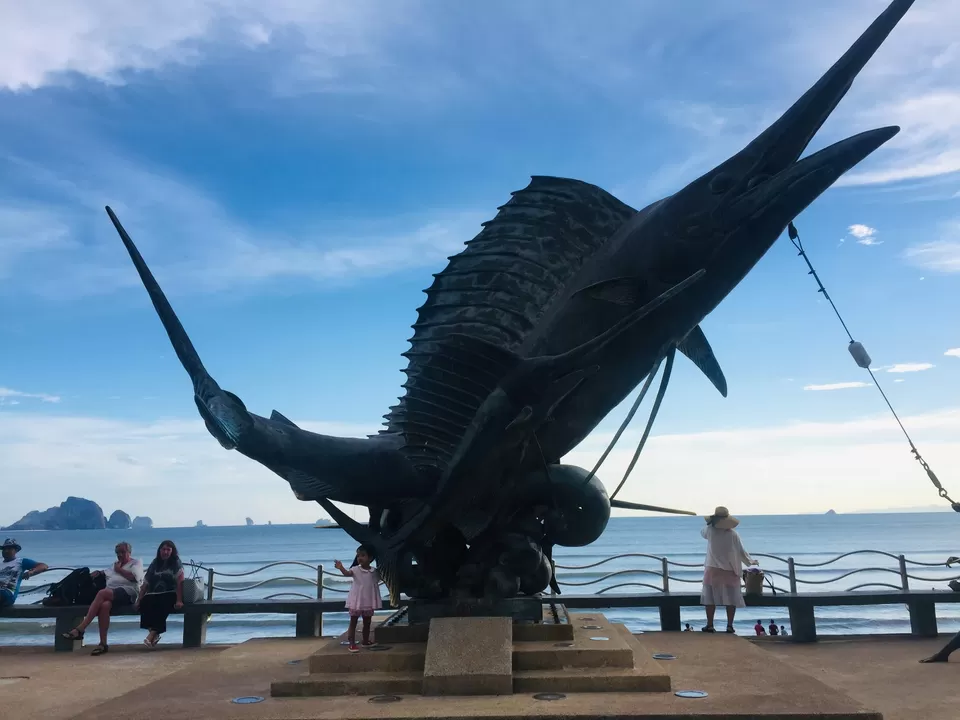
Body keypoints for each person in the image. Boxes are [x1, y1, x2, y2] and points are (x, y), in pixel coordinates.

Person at [61, 542, 144, 655]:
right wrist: (98, 573)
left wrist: (120, 570)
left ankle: (80, 629)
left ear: (129, 552)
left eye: (122, 552)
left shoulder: (135, 563)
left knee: (102, 593)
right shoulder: (115, 564)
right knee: (104, 606)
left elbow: (135, 578)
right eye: (117, 553)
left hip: (128, 592)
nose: (119, 555)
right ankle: (103, 644)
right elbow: (106, 572)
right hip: (113, 593)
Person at [700, 506, 758, 634]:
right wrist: (750, 562)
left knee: (710, 598)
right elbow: (741, 551)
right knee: (731, 599)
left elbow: (702, 532)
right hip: (730, 570)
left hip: (712, 569)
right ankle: (729, 625)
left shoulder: (710, 531)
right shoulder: (733, 534)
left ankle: (710, 625)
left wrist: (711, 522)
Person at [137, 540, 185, 648]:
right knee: (144, 603)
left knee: (163, 603)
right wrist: (138, 600)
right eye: (163, 549)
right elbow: (146, 582)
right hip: (154, 593)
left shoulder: (176, 562)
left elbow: (180, 581)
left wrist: (179, 600)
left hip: (171, 593)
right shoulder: (155, 563)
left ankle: (151, 635)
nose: (165, 552)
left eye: (168, 549)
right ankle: (155, 633)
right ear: (159, 551)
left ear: (172, 551)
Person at [334, 544, 381, 653]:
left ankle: (365, 640)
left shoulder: (374, 571)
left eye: (363, 555)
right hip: (357, 601)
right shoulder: (355, 570)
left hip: (368, 601)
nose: (360, 558)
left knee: (367, 622)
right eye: (358, 555)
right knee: (353, 621)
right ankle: (352, 643)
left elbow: (380, 578)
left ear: (370, 558)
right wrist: (341, 567)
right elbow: (347, 573)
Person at [0, 538, 48, 607]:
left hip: (8, 593)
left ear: (16, 550)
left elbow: (43, 565)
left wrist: (31, 572)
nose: (6, 551)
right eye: (4, 549)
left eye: (9, 548)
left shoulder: (21, 562)